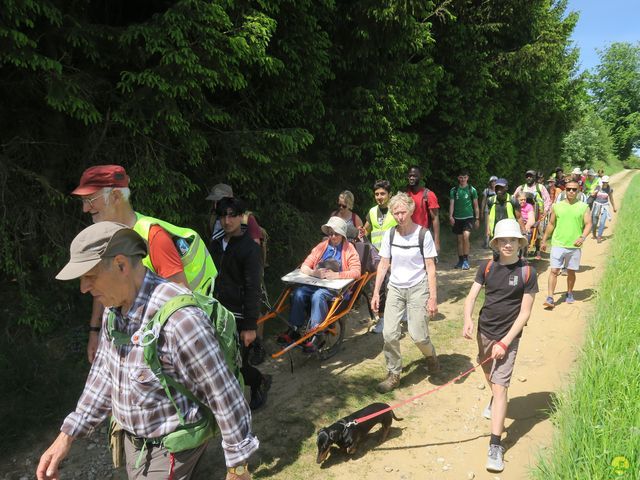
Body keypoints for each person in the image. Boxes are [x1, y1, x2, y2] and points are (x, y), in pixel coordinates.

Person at [36, 222, 258, 480]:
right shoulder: (114, 309)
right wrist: (67, 435)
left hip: (171, 449)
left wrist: (238, 467)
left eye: (90, 275)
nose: (84, 287)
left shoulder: (180, 320)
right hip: (136, 446)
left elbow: (224, 394)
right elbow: (103, 376)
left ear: (121, 265)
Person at [73, 165, 216, 363]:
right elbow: (101, 286)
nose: (85, 208)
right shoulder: (104, 238)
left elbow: (182, 301)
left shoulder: (153, 237)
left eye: (89, 200)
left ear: (115, 196)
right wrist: (95, 331)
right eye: (83, 201)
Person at [462, 219, 538, 473]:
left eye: (512, 240)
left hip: (509, 337)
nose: (508, 244)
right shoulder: (486, 267)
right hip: (485, 331)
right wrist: (467, 320)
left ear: (519, 243)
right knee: (488, 374)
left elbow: (525, 313)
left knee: (500, 385)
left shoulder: (527, 272)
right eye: (503, 240)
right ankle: (494, 400)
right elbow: (472, 296)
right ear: (496, 243)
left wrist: (505, 342)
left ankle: (496, 444)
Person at [371, 192, 440, 393]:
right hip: (395, 288)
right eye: (396, 213)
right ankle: (393, 374)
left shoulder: (422, 234)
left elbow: (430, 267)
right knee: (389, 333)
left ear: (411, 210)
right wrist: (376, 293)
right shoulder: (390, 235)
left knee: (418, 335)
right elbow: (384, 264)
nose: (400, 216)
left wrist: (433, 298)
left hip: (418, 287)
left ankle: (430, 355)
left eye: (403, 212)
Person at [210, 197, 272, 410]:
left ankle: (259, 381)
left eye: (232, 215)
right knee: (217, 360)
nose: (227, 221)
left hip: (238, 315)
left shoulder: (250, 249)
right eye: (223, 216)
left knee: (238, 364)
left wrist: (250, 326)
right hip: (216, 311)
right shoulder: (216, 243)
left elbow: (253, 288)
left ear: (240, 216)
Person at [278, 216, 361, 352]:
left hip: (336, 287)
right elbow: (305, 266)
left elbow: (356, 272)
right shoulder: (321, 247)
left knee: (319, 296)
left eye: (336, 234)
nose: (332, 236)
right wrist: (314, 273)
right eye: (330, 233)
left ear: (342, 235)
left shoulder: (349, 249)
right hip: (316, 282)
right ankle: (294, 329)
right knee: (298, 293)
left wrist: (336, 275)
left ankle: (317, 334)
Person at [540, 180, 592, 308]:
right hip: (557, 243)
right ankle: (550, 297)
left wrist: (582, 237)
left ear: (578, 191)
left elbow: (588, 224)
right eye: (569, 189)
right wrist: (544, 239)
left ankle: (569, 293)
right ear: (565, 190)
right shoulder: (557, 206)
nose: (571, 191)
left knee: (571, 272)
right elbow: (551, 224)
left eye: (574, 189)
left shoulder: (583, 207)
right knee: (554, 271)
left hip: (574, 246)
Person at [363, 180, 397, 334]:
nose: (379, 197)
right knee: (379, 288)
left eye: (383, 193)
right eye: (377, 194)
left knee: (396, 286)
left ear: (389, 194)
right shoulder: (371, 212)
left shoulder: (396, 210)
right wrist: (361, 232)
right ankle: (382, 320)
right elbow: (367, 229)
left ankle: (402, 314)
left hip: (396, 255)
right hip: (377, 256)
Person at [514, 170, 551, 258]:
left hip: (539, 213)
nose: (529, 178)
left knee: (538, 231)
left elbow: (547, 200)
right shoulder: (521, 188)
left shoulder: (540, 187)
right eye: (527, 176)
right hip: (522, 214)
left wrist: (545, 211)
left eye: (531, 176)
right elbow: (513, 197)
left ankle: (537, 251)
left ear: (535, 177)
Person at [405, 165, 441, 252]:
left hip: (423, 236)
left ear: (420, 177)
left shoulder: (428, 195)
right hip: (407, 236)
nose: (412, 178)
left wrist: (436, 242)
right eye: (410, 176)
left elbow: (435, 218)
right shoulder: (405, 194)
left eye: (414, 176)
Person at [449, 170, 480, 270]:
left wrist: (477, 218)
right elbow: (452, 204)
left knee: (466, 237)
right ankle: (460, 260)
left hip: (469, 217)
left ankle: (466, 260)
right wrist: (450, 216)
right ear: (458, 178)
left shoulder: (472, 190)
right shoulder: (454, 190)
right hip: (457, 218)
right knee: (459, 240)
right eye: (461, 177)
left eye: (465, 177)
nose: (463, 179)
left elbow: (476, 205)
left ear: (467, 178)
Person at [591, 175, 617, 243]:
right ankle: (594, 234)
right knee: (594, 222)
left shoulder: (609, 189)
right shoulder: (598, 187)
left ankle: (599, 236)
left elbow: (611, 198)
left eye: (606, 182)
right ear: (602, 182)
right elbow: (592, 194)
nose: (605, 183)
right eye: (603, 182)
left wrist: (614, 207)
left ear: (608, 182)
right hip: (597, 205)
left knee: (602, 222)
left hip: (605, 206)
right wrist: (594, 193)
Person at [480, 176, 498, 248]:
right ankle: (487, 243)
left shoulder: (499, 190)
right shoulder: (487, 191)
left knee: (496, 226)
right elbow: (483, 201)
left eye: (495, 181)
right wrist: (481, 211)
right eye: (492, 182)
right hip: (488, 211)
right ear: (490, 183)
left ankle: (495, 242)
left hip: (497, 210)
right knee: (487, 227)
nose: (494, 183)